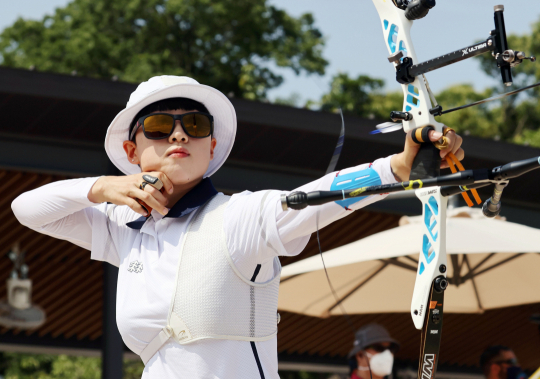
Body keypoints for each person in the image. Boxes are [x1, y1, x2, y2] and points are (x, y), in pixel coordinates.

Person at [11, 76, 464, 379]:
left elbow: (318, 196)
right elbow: (26, 208)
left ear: (211, 145)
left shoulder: (241, 217)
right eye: (158, 126)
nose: (178, 135)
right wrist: (101, 187)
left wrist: (399, 166)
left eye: (194, 124)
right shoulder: (124, 227)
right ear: (132, 150)